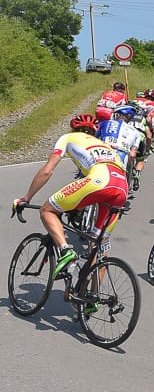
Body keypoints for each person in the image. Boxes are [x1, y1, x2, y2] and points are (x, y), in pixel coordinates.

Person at [12, 114, 128, 287]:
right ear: (93, 131)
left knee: (47, 210)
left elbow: (47, 171)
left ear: (74, 129)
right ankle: (91, 299)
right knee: (99, 246)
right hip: (122, 187)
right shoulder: (104, 145)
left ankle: (66, 251)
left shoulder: (67, 138)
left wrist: (26, 198)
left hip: (100, 180)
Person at [94, 105, 142, 194]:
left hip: (102, 151)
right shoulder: (136, 132)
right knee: (119, 180)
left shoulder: (105, 123)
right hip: (122, 155)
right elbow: (132, 154)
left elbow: (92, 138)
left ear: (119, 115)